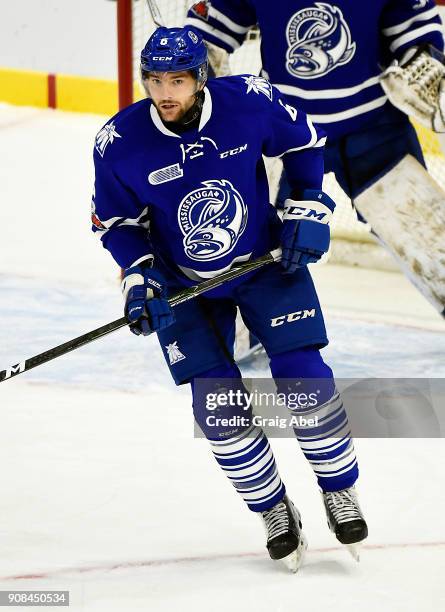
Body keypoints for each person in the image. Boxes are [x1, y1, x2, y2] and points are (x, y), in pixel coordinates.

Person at [91, 26, 367, 572]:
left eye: (176, 79)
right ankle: (273, 510)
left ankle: (338, 489)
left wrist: (309, 205)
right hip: (183, 283)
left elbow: (305, 143)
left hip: (264, 260)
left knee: (304, 376)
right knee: (216, 404)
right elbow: (117, 224)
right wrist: (139, 277)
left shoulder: (249, 101)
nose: (164, 92)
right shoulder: (118, 142)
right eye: (153, 80)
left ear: (200, 78)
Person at [185, 0, 445, 321]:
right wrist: (194, 75)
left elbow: (410, 21)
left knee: (422, 229)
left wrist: (423, 58)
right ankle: (244, 328)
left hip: (373, 124)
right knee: (257, 240)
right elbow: (209, 30)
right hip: (282, 128)